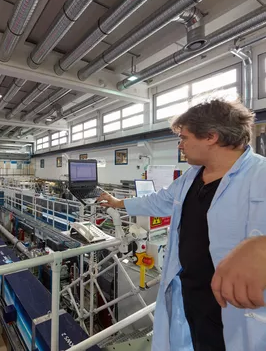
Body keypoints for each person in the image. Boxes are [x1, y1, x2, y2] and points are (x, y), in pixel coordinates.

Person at [98, 99, 266, 351]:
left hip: (238, 308)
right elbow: (160, 201)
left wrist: (261, 246)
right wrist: (118, 202)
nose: (180, 145)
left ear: (211, 136)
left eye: (184, 137)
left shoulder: (260, 174)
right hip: (191, 295)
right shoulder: (193, 176)